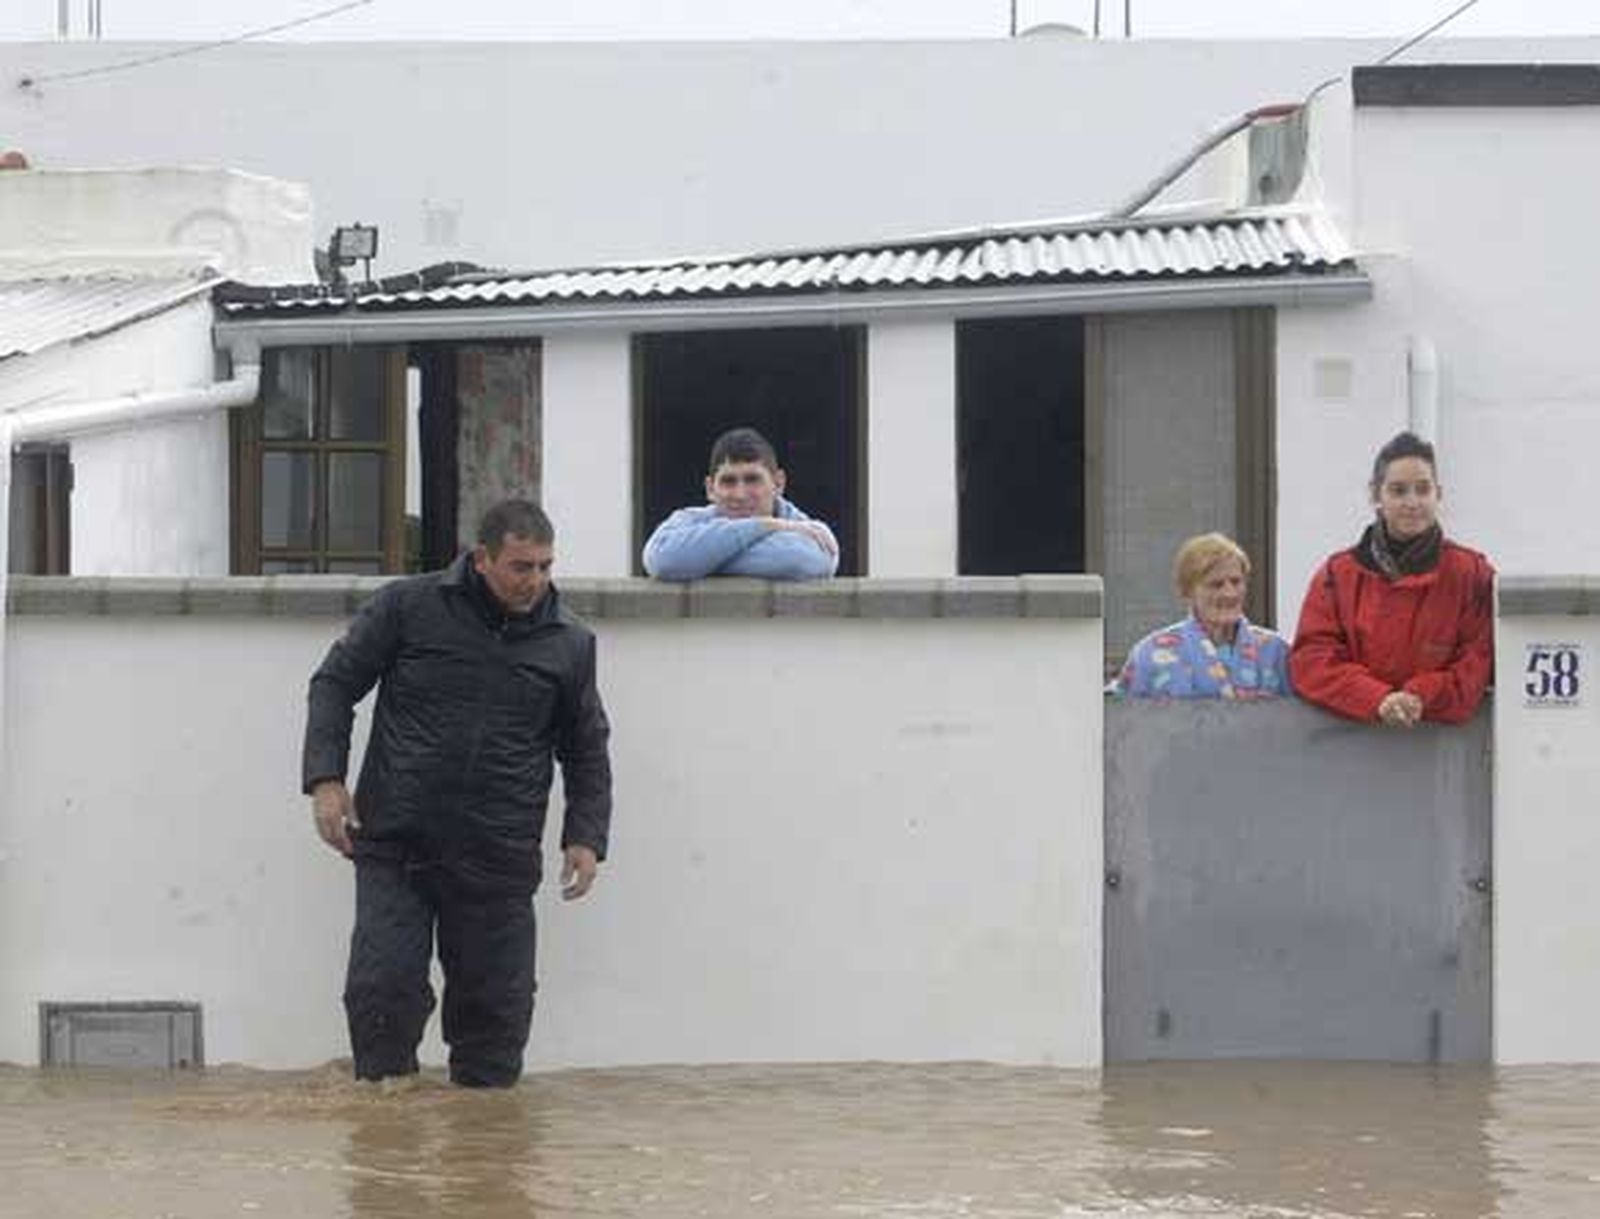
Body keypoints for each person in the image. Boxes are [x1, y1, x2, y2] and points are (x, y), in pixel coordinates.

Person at [301, 498, 612, 1087]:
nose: (536, 581)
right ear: (482, 559)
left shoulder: (570, 642)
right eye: (522, 567)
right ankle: (383, 1158)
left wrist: (585, 837)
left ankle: (484, 1169)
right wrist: (326, 781)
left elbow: (587, 747)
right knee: (382, 994)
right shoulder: (408, 606)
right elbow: (334, 683)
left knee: (495, 1031)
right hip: (398, 844)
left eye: (546, 566)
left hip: (499, 856)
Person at [1290, 431, 1494, 727]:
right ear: (1376, 495)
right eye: (1398, 491)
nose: (1412, 502)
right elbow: (1311, 660)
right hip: (1353, 748)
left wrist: (1420, 697)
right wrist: (1377, 699)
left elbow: (1478, 663)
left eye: (1422, 490)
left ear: (1439, 493)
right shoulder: (1336, 577)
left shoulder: (1472, 575)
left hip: (1442, 752)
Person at [642, 426, 839, 580]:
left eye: (752, 479)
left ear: (779, 483)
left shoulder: (812, 530)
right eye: (728, 481)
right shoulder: (687, 518)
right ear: (710, 489)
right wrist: (765, 524)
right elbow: (662, 560)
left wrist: (700, 560)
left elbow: (800, 560)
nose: (740, 494)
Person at [1114, 532, 1291, 699]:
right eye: (1216, 584)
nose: (1230, 593)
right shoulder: (1150, 654)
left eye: (1236, 582)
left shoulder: (1276, 652)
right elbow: (1122, 720)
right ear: (1187, 592)